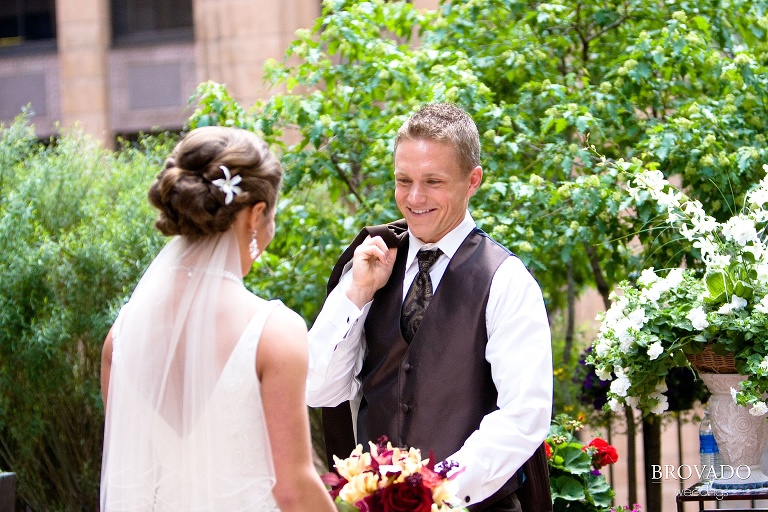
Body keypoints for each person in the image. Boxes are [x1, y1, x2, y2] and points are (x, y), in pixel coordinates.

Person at [306, 103, 553, 511]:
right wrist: (358, 293)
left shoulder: (506, 280)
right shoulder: (371, 264)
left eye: (433, 181)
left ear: (472, 181)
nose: (415, 198)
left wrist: (435, 488)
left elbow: (524, 414)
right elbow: (318, 387)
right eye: (404, 180)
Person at [100, 126, 336, 512]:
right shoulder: (274, 332)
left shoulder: (121, 338)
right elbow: (292, 489)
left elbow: (129, 475)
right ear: (256, 214)